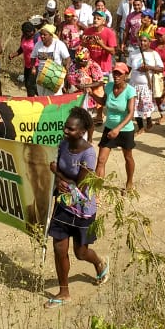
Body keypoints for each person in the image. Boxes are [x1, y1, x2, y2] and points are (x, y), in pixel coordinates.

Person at [44, 106, 109, 309]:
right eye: (65, 127)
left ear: (81, 132)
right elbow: (60, 177)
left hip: (82, 209)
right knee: (58, 248)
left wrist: (57, 174)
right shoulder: (63, 145)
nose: (66, 131)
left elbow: (80, 185)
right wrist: (57, 179)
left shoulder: (89, 154)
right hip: (63, 206)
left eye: (70, 129)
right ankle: (64, 292)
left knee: (80, 253)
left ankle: (99, 263)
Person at [94, 63, 137, 192]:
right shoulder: (109, 86)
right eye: (115, 73)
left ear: (126, 75)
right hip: (109, 128)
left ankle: (129, 183)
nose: (116, 76)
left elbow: (130, 113)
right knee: (101, 160)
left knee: (127, 156)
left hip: (125, 130)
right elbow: (103, 101)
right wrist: (91, 94)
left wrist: (117, 129)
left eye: (119, 73)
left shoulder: (130, 91)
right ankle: (96, 190)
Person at [127, 35, 163, 134]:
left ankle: (148, 121)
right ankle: (140, 127)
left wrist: (149, 67)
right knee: (134, 107)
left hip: (147, 86)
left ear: (149, 42)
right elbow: (128, 68)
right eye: (141, 41)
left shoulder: (154, 54)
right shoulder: (133, 54)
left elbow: (161, 68)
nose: (142, 43)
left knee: (145, 106)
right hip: (133, 85)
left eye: (145, 41)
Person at [33, 24, 71, 96]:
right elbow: (33, 56)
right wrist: (33, 67)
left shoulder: (59, 44)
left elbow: (68, 58)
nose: (42, 36)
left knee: (55, 97)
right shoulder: (38, 44)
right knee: (42, 97)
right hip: (41, 75)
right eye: (41, 34)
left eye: (45, 35)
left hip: (55, 75)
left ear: (51, 35)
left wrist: (67, 66)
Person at [8, 20, 40, 96]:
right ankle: (35, 98)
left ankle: (36, 99)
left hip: (36, 65)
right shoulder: (24, 37)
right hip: (27, 65)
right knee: (27, 84)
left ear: (32, 31)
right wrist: (14, 54)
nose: (27, 34)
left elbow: (41, 52)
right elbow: (22, 48)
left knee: (31, 84)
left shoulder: (37, 39)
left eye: (28, 32)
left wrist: (34, 67)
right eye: (25, 32)